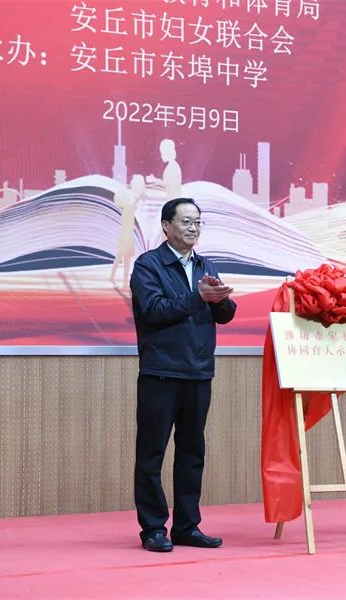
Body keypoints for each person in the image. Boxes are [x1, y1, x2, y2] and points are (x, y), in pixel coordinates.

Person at [130, 197, 236, 552]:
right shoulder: (148, 265)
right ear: (166, 226)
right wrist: (198, 297)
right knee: (152, 454)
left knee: (192, 453)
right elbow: (153, 310)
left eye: (197, 222)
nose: (193, 228)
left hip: (198, 372)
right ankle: (153, 529)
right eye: (186, 221)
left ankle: (187, 526)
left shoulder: (205, 265)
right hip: (161, 371)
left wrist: (221, 300)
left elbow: (224, 316)